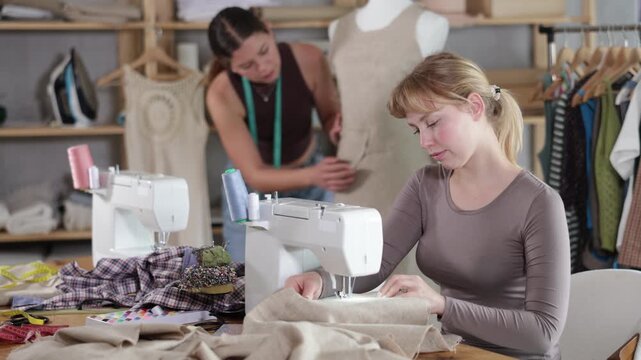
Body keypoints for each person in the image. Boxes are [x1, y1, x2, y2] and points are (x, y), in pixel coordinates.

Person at [284, 52, 571, 359]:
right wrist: (322, 279)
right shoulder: (426, 185)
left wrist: (442, 305)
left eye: (433, 123)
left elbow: (543, 333)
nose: (424, 141)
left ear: (475, 107)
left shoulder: (538, 203)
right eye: (417, 129)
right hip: (449, 351)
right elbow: (376, 264)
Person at [205, 7, 356, 262]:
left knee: (319, 271)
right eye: (247, 65)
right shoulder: (221, 94)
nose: (263, 67)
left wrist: (335, 127)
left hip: (311, 183)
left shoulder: (309, 59)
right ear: (229, 66)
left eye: (264, 51)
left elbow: (331, 115)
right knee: (247, 278)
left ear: (269, 30)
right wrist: (314, 175)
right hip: (252, 191)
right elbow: (255, 175)